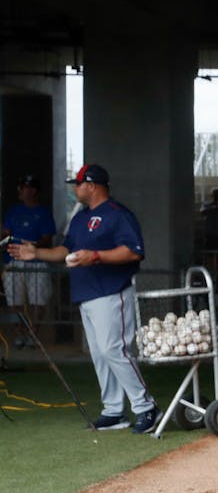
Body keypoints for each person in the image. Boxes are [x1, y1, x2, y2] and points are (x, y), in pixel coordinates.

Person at [6, 163, 157, 433]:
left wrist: (96, 255)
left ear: (92, 185)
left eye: (78, 183)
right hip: (87, 294)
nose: (75, 188)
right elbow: (65, 249)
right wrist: (36, 253)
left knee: (115, 350)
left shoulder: (117, 214)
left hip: (112, 291)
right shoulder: (79, 218)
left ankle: (146, 407)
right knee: (100, 353)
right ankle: (114, 411)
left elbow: (133, 252)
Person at [2, 174, 57, 347]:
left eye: (25, 187)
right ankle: (19, 334)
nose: (21, 190)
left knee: (38, 301)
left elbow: (47, 238)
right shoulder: (13, 211)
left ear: (33, 190)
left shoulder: (43, 212)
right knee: (14, 300)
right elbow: (5, 233)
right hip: (13, 261)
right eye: (21, 187)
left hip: (36, 261)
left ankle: (33, 334)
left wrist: (33, 246)